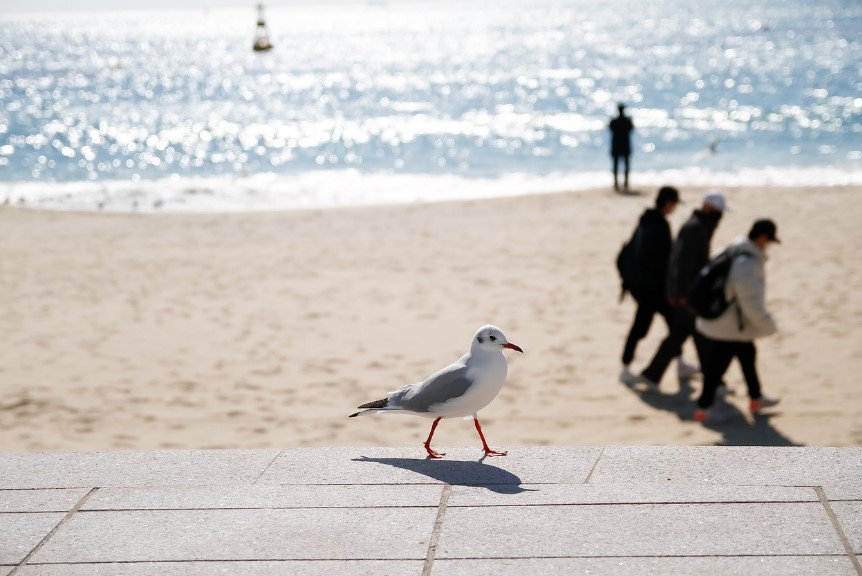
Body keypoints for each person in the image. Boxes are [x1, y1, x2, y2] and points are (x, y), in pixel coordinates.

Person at [623, 190, 728, 388]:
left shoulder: (657, 222)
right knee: (664, 331)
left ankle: (655, 373)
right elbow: (678, 262)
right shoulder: (690, 228)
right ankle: (712, 380)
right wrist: (677, 292)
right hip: (667, 292)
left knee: (679, 334)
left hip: (664, 291)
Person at [693, 219, 781, 422]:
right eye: (769, 241)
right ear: (762, 238)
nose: (768, 245)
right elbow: (750, 302)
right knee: (717, 367)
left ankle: (756, 398)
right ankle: (703, 409)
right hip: (729, 324)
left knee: (747, 355)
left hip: (726, 322)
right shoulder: (746, 264)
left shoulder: (731, 250)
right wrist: (768, 325)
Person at [619, 187, 680, 384]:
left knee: (674, 324)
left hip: (642, 285)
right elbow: (664, 261)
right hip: (652, 288)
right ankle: (625, 367)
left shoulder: (645, 220)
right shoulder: (659, 225)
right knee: (643, 326)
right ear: (668, 203)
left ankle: (680, 362)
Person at [609, 103, 634, 191]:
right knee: (625, 165)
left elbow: (610, 129)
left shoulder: (614, 121)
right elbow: (631, 129)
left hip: (616, 146)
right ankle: (625, 183)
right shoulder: (627, 121)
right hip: (625, 146)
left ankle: (616, 183)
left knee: (616, 165)